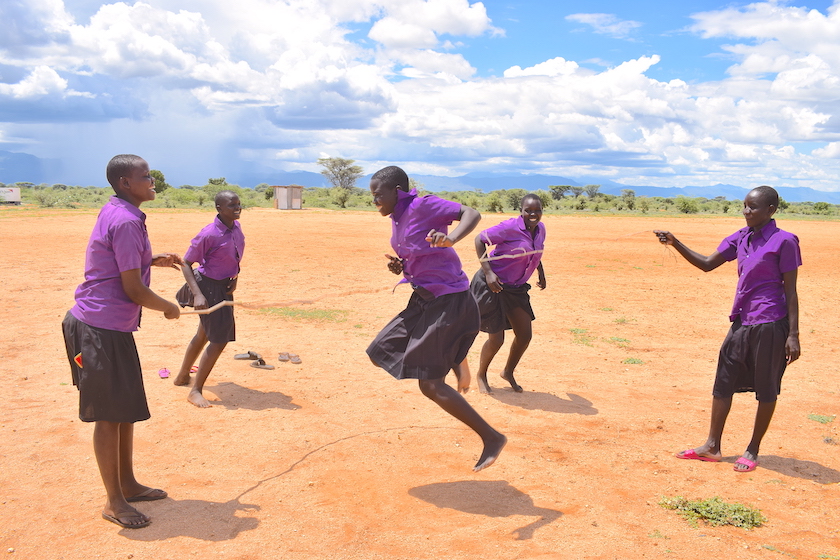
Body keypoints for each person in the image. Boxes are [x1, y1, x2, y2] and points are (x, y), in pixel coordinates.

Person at [61, 154, 182, 528]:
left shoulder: (119, 211)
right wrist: (168, 307)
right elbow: (133, 289)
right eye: (145, 176)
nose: (152, 180)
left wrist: (153, 258)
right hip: (98, 330)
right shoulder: (127, 220)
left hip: (112, 328)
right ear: (126, 183)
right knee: (109, 416)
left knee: (124, 409)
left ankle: (127, 484)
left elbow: (120, 262)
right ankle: (114, 502)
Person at [366, 165, 507, 472]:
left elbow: (472, 214)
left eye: (378, 195)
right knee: (379, 351)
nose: (374, 201)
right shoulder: (397, 217)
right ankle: (454, 358)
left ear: (397, 193)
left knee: (429, 386)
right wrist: (402, 265)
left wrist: (451, 238)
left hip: (450, 300)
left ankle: (492, 438)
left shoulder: (423, 205)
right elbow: (417, 251)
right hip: (423, 298)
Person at [654, 185, 801, 473]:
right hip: (742, 321)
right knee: (724, 380)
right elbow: (708, 264)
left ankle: (753, 449)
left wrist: (793, 335)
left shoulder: (785, 241)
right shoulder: (741, 238)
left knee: (766, 386)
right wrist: (675, 242)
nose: (746, 211)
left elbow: (791, 291)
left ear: (771, 210)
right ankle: (712, 446)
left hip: (771, 322)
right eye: (745, 205)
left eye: (753, 207)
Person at [173, 190, 245, 407]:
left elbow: (233, 256)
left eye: (239, 204)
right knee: (219, 339)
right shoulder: (209, 234)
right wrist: (197, 294)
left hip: (224, 286)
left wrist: (235, 277)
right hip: (208, 288)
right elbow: (186, 263)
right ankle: (195, 390)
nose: (237, 208)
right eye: (232, 205)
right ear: (219, 209)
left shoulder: (236, 227)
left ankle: (183, 376)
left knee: (203, 334)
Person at [470, 193, 546, 393]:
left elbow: (535, 252)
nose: (533, 214)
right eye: (528, 210)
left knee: (524, 335)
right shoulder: (509, 228)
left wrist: (541, 272)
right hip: (492, 285)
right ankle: (481, 374)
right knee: (497, 339)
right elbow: (479, 240)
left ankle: (508, 371)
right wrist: (488, 274)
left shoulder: (540, 230)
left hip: (516, 288)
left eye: (537, 210)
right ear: (521, 211)